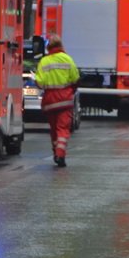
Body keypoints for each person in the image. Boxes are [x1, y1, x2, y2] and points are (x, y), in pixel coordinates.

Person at [34, 34, 80, 167]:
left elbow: (40, 82)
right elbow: (75, 78)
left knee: (54, 129)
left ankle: (55, 151)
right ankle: (60, 154)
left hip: (49, 101)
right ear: (61, 46)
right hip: (65, 100)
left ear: (49, 47)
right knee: (63, 129)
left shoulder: (44, 61)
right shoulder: (67, 59)